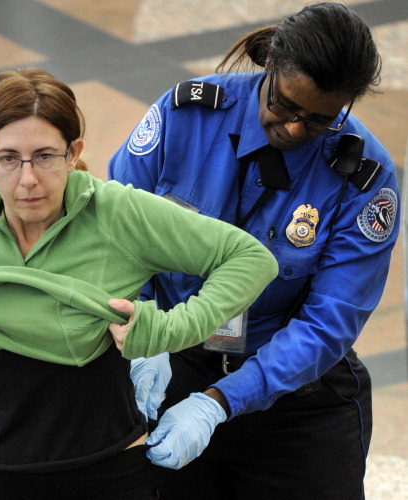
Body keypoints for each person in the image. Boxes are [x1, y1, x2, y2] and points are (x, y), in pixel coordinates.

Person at [0, 68, 277, 500]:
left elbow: (249, 258)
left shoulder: (118, 213)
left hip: (106, 473)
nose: (27, 179)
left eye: (44, 156)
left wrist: (172, 329)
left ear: (73, 153)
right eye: (7, 158)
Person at [109, 3, 399, 499]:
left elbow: (329, 322)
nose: (291, 129)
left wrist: (220, 402)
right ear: (271, 66)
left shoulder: (366, 178)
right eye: (284, 106)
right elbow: (112, 234)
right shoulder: (185, 116)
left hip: (295, 399)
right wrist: (146, 333)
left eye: (317, 121)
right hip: (172, 370)